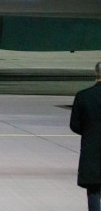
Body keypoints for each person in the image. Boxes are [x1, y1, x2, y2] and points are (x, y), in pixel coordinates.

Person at [70, 62, 101, 211]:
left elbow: (74, 125)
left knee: (93, 190)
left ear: (96, 74)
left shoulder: (83, 96)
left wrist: (90, 132)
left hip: (92, 150)